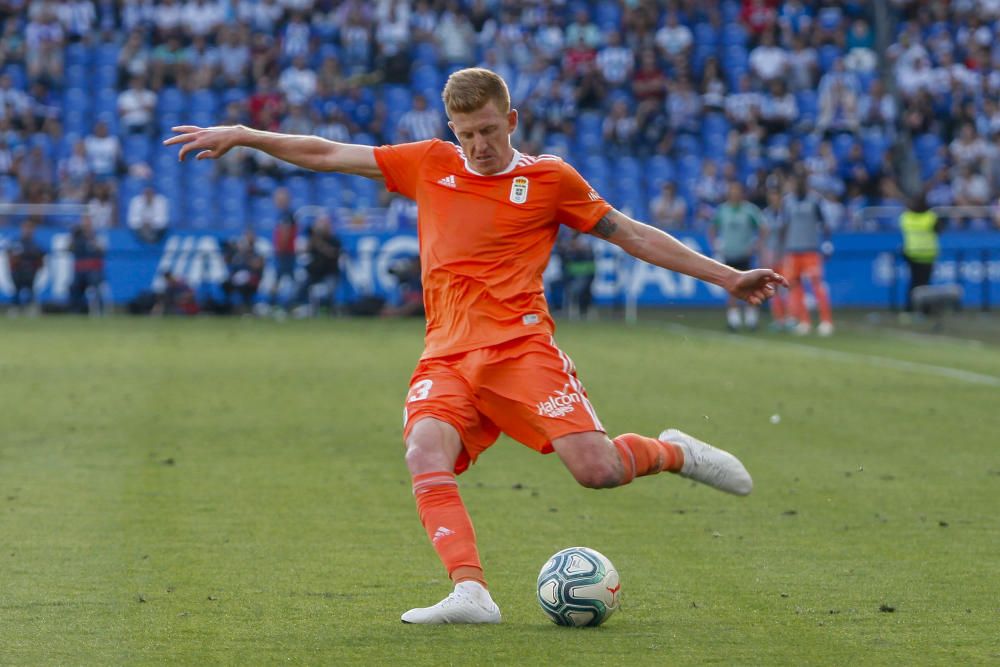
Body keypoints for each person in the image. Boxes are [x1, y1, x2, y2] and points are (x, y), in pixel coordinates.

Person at [165, 67, 785, 625]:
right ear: (451, 129)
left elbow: (632, 235)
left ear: (511, 120)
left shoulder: (549, 179)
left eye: (488, 130)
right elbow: (327, 151)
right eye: (466, 133)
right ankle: (471, 591)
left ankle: (673, 452)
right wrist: (246, 133)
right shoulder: (430, 163)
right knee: (423, 447)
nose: (479, 145)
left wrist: (727, 276)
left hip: (521, 351)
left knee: (597, 471)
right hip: (447, 354)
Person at [779, 171, 834, 336]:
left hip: (811, 249)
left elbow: (824, 223)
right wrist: (783, 248)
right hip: (793, 250)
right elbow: (784, 225)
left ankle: (826, 321)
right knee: (795, 286)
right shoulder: (787, 202)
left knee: (817, 285)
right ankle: (804, 321)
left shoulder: (814, 200)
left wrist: (827, 243)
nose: (799, 185)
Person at [708, 181, 765, 332]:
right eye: (732, 190)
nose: (734, 193)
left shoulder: (750, 210)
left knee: (750, 287)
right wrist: (715, 245)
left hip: (745, 254)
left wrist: (756, 245)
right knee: (731, 288)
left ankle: (751, 320)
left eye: (737, 190)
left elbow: (763, 228)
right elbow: (712, 228)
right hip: (729, 254)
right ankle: (734, 321)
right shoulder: (722, 210)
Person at [899, 191, 943, 313]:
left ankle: (910, 308)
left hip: (911, 253)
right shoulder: (930, 217)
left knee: (913, 283)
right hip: (927, 254)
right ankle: (925, 309)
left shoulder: (906, 217)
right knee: (924, 284)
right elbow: (939, 230)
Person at [295, 214, 342, 316]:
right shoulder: (314, 240)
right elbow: (304, 252)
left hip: (330, 272)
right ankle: (299, 308)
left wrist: (320, 245)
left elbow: (334, 254)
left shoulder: (334, 240)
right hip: (317, 272)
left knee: (330, 291)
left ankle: (331, 311)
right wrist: (313, 241)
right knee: (302, 286)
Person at [68, 215, 106, 315]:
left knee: (95, 283)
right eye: (84, 222)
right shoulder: (77, 236)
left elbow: (102, 251)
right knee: (73, 287)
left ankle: (100, 310)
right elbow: (69, 249)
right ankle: (77, 311)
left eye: (88, 222)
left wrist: (93, 241)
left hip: (93, 269)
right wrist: (72, 236)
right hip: (80, 270)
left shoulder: (97, 235)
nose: (86, 224)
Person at [221, 228, 265, 314]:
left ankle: (246, 308)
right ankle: (230, 309)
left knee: (245, 285)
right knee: (226, 284)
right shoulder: (238, 253)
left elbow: (258, 265)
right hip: (237, 279)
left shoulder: (256, 250)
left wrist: (246, 257)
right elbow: (228, 262)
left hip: (252, 280)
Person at [7, 218, 46, 315]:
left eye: (30, 228)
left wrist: (37, 268)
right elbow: (11, 256)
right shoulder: (16, 242)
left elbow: (41, 258)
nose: (28, 230)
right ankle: (15, 308)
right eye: (26, 227)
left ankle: (31, 308)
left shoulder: (36, 244)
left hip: (31, 271)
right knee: (16, 290)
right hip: (18, 270)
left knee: (31, 290)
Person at [269, 187, 298, 311]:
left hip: (286, 253)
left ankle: (276, 305)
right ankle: (288, 305)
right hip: (286, 252)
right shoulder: (286, 214)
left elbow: (285, 234)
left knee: (280, 279)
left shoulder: (286, 215)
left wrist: (280, 249)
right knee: (287, 279)